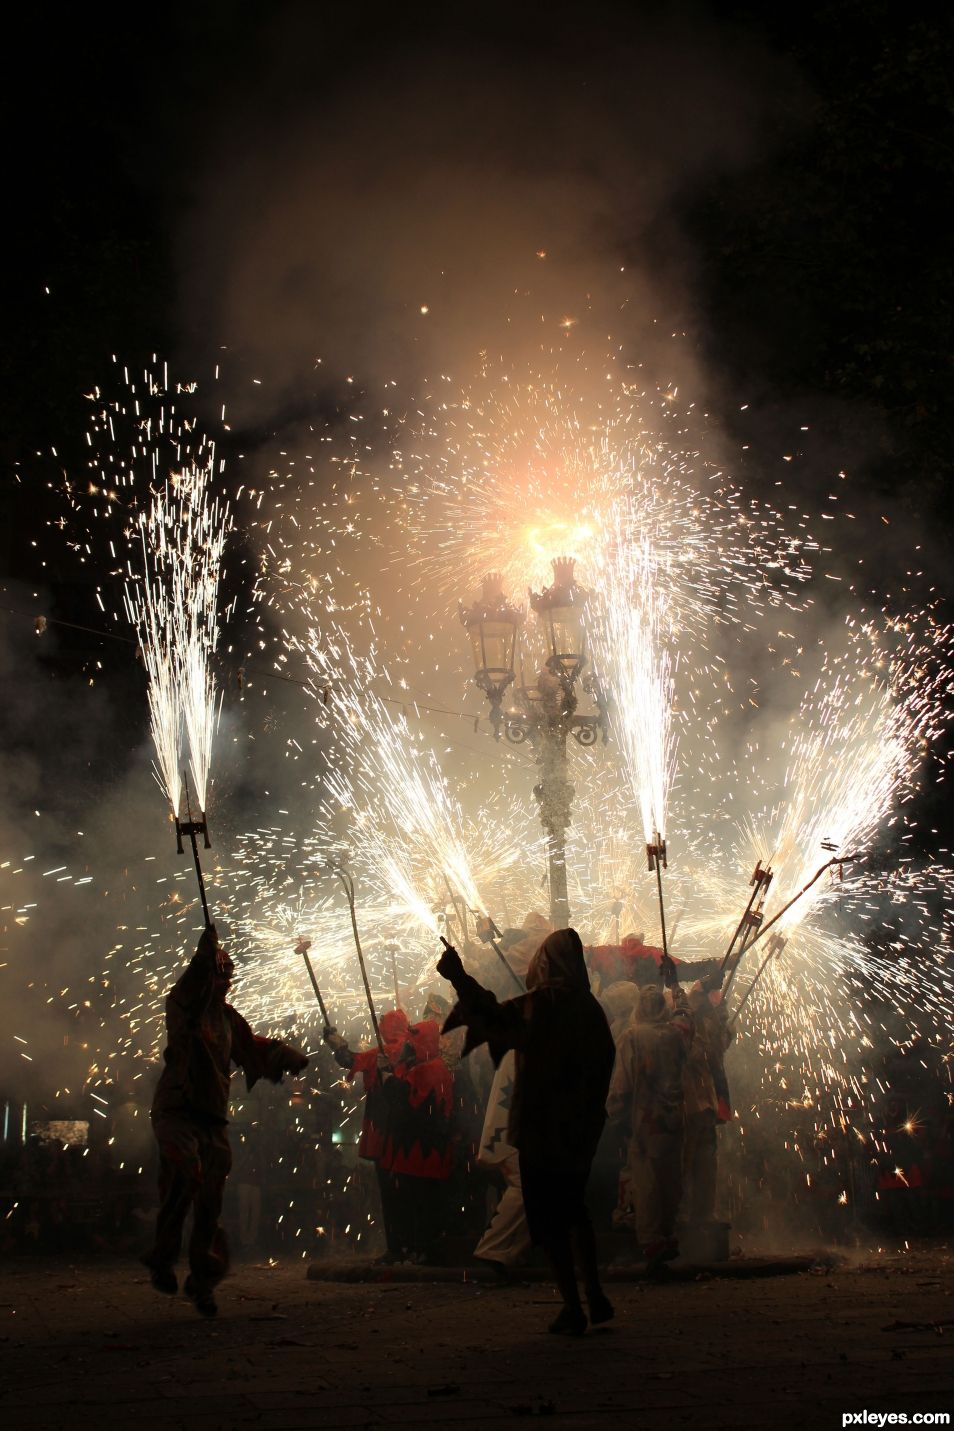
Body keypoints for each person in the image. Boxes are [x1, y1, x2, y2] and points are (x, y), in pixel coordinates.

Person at [437, 928, 616, 1336]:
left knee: (549, 1220)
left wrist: (459, 977)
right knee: (576, 1211)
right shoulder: (591, 1009)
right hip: (580, 1131)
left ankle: (573, 1306)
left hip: (542, 1128)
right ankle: (596, 1295)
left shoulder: (545, 1003)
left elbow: (495, 1018)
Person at [144, 925, 309, 1316]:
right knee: (186, 1172)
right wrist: (205, 952)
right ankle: (162, 1256)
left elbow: (251, 1049)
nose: (227, 983)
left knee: (211, 1198)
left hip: (212, 1117)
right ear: (209, 976)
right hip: (178, 1111)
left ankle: (203, 1280)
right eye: (222, 976)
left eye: (229, 977)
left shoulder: (229, 1019)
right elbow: (189, 988)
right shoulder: (184, 1006)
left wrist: (283, 1055)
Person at [607, 961, 693, 1271]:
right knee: (672, 1178)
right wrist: (677, 989)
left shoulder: (632, 1037)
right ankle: (668, 1234)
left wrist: (614, 1113)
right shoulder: (675, 1034)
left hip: (644, 1123)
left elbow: (622, 1082)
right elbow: (687, 1018)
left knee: (646, 1181)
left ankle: (652, 1241)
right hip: (674, 1120)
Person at [324, 1008, 411, 1262]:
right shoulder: (413, 1051)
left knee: (390, 1195)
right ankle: (410, 1246)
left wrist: (338, 1045)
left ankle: (397, 1248)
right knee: (407, 1193)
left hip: (386, 1134)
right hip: (408, 1135)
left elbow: (352, 1060)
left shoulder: (382, 1055)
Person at [681, 983, 733, 1226]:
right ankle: (681, 1213)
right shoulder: (683, 1025)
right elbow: (695, 1053)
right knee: (685, 1161)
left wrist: (723, 1023)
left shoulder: (707, 1024)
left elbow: (716, 1051)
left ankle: (704, 1214)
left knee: (705, 1162)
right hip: (688, 1105)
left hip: (706, 1105)